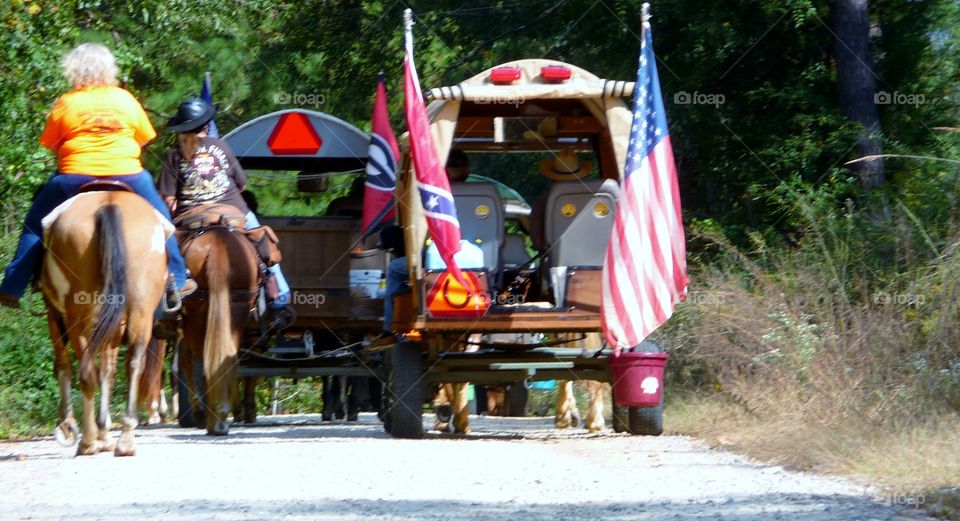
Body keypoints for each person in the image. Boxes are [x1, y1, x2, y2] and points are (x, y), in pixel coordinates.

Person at [0, 43, 195, 309]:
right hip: (129, 175)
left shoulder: (67, 102)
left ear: (74, 69)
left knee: (36, 223)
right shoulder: (125, 99)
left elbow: (52, 144)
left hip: (74, 175)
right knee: (163, 220)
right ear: (110, 68)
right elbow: (144, 139)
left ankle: (13, 286)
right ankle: (178, 278)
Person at [157, 98, 292, 326]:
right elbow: (242, 185)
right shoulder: (221, 146)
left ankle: (163, 306)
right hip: (233, 210)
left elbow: (169, 201)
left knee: (161, 252)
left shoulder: (173, 154)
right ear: (206, 126)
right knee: (263, 242)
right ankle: (279, 299)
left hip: (191, 216)